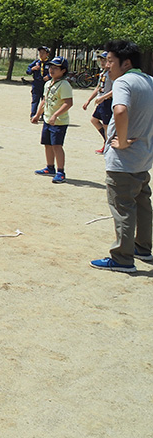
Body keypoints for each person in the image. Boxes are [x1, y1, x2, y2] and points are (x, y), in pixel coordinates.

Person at [90, 40, 153, 273]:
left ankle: (122, 258)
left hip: (123, 160)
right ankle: (143, 248)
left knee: (123, 207)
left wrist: (124, 141)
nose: (106, 66)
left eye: (110, 61)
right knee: (143, 204)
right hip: (143, 158)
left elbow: (120, 110)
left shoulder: (123, 81)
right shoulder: (149, 80)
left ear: (126, 63)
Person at [30, 55, 73, 184]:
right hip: (48, 120)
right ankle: (50, 167)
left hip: (59, 122)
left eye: (56, 68)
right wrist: (37, 115)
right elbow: (44, 100)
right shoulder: (48, 83)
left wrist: (56, 115)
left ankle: (61, 172)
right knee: (47, 144)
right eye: (51, 67)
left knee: (57, 146)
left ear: (63, 71)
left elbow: (68, 103)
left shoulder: (64, 85)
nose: (51, 70)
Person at [82, 52, 113, 154]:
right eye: (101, 60)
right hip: (101, 102)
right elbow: (98, 87)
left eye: (105, 60)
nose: (102, 62)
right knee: (94, 120)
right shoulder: (103, 73)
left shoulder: (112, 74)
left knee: (106, 125)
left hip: (107, 101)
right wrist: (88, 100)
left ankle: (108, 147)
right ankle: (106, 141)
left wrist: (103, 97)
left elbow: (115, 89)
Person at [26, 46, 51, 117]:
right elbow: (28, 71)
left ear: (47, 54)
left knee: (45, 100)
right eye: (40, 53)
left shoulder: (49, 63)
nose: (41, 54)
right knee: (35, 100)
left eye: (43, 53)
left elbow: (54, 72)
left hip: (45, 84)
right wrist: (32, 69)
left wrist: (49, 76)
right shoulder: (36, 62)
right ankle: (33, 114)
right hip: (36, 83)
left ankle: (43, 115)